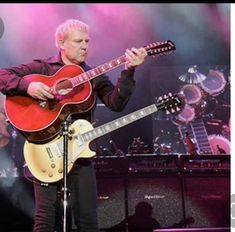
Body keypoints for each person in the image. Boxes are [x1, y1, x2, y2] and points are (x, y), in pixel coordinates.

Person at [0, 19, 147, 232]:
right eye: (78, 41)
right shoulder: (43, 67)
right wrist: (29, 86)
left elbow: (116, 103)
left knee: (88, 221)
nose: (85, 46)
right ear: (61, 43)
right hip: (43, 150)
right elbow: (2, 76)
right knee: (45, 221)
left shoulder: (93, 75)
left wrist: (129, 71)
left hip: (80, 153)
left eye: (87, 41)